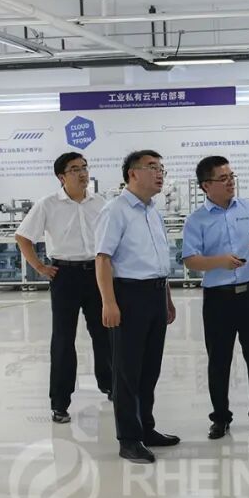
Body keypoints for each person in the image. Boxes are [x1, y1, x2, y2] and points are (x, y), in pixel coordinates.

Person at [95, 150, 180, 464]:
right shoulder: (115, 210)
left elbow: (159, 259)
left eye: (162, 168)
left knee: (149, 369)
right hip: (128, 296)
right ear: (132, 173)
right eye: (152, 167)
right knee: (127, 372)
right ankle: (129, 439)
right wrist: (109, 302)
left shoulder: (152, 211)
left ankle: (146, 428)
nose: (160, 174)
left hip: (155, 294)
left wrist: (166, 298)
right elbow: (103, 258)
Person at [15, 152, 112, 424]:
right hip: (64, 276)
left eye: (85, 167)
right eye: (75, 169)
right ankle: (60, 402)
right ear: (62, 177)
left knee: (105, 334)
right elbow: (23, 237)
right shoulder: (47, 204)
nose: (82, 173)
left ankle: (110, 385)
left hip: (96, 274)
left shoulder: (101, 203)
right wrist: (40, 267)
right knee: (63, 340)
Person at [182, 156, 249, 439]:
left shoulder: (248, 208)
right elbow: (191, 259)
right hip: (218, 299)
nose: (230, 182)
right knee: (219, 360)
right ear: (206, 186)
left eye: (231, 176)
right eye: (223, 179)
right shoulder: (196, 220)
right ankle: (220, 417)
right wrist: (219, 261)